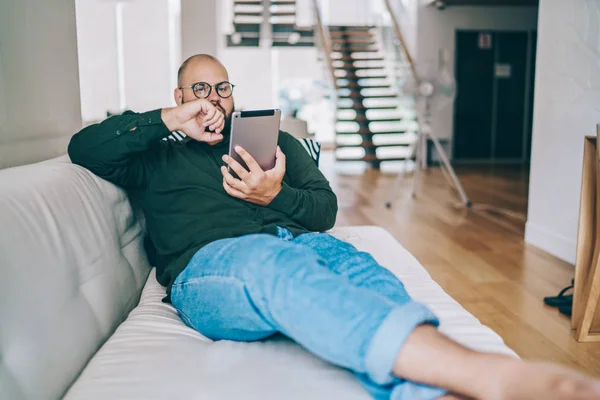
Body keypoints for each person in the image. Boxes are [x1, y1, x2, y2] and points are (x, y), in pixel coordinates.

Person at [68, 54, 600, 400]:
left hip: (307, 246)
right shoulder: (157, 153)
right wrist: (165, 120)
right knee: (269, 262)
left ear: (234, 94)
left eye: (222, 87)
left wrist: (275, 193)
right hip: (215, 267)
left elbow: (324, 212)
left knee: (368, 276)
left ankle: (431, 391)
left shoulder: (278, 142)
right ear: (181, 97)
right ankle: (489, 376)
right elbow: (84, 148)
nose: (212, 99)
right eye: (199, 89)